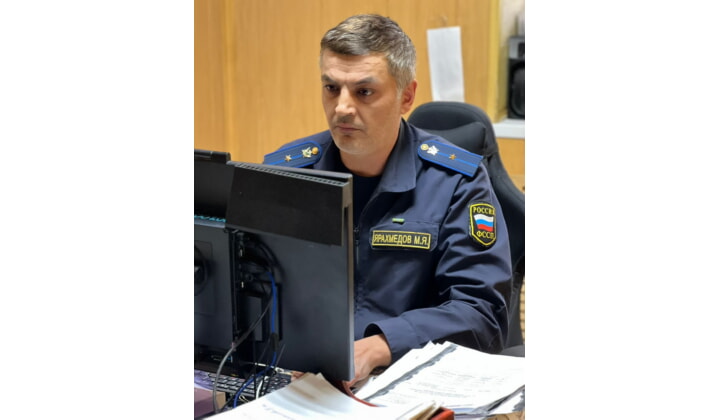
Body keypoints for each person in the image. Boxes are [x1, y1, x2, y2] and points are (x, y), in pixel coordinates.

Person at [262, 14, 512, 387]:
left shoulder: (456, 180)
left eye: (364, 92)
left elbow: (482, 313)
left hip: (410, 379)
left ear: (406, 96)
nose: (342, 108)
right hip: (302, 379)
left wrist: (380, 346)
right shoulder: (287, 174)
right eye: (331, 88)